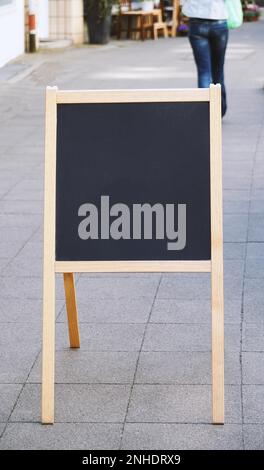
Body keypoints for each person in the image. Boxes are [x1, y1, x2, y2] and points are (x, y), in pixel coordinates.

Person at [181, 0, 229, 116]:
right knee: (218, 70)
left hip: (196, 21)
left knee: (204, 72)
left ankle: (207, 113)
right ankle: (219, 111)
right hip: (219, 20)